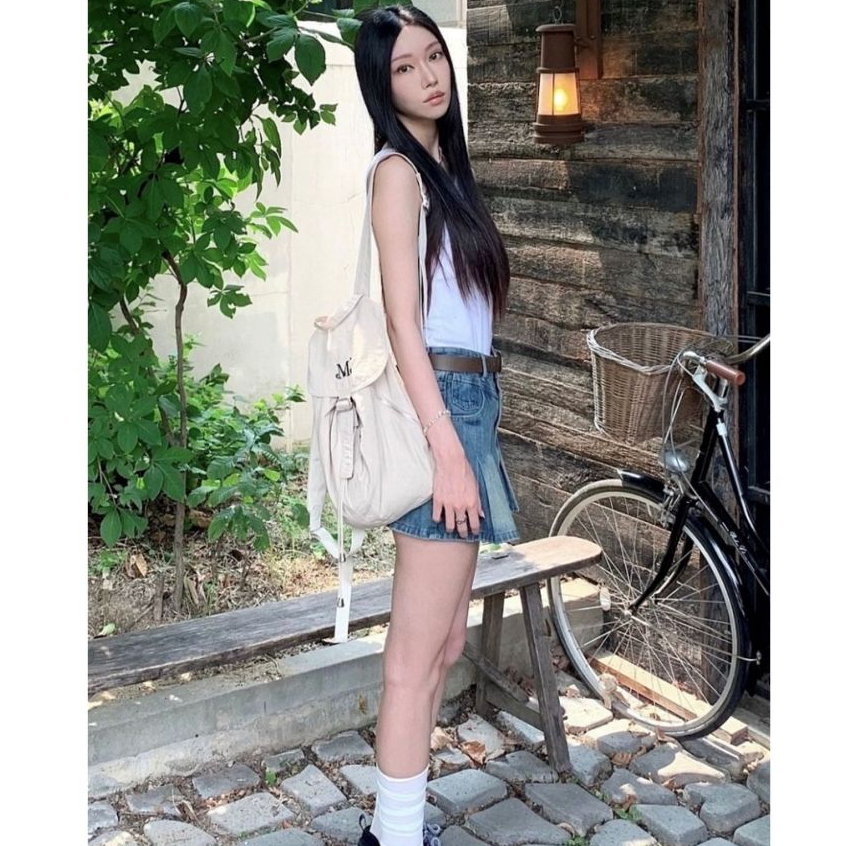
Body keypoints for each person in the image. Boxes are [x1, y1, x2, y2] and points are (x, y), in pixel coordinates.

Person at [353, 6, 521, 845]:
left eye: (433, 57)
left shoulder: (445, 169)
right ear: (381, 88)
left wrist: (469, 433)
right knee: (414, 657)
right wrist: (447, 448)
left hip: (472, 405)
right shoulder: (397, 173)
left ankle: (397, 824)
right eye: (405, 67)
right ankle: (393, 834)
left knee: (445, 640)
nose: (429, 76)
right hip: (443, 412)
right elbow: (402, 325)